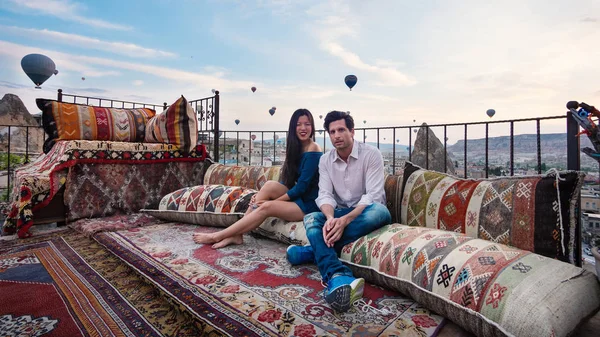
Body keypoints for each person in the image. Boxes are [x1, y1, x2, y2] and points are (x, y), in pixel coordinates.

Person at [286, 110, 391, 313]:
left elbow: (374, 196)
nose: (337, 135)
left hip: (368, 211)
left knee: (377, 211)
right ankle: (337, 275)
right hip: (340, 213)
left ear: (352, 131)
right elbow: (324, 195)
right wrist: (331, 218)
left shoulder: (371, 154)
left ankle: (312, 251)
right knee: (311, 218)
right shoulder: (325, 160)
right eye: (332, 131)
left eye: (341, 129)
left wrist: (345, 221)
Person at [193, 109, 322, 248]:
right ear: (293, 127)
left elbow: (301, 187)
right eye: (298, 124)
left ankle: (218, 235)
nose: (303, 128)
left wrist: (274, 201)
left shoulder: (313, 148)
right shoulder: (295, 147)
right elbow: (287, 180)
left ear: (312, 126)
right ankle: (237, 234)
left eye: (307, 124)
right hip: (298, 197)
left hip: (308, 204)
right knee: (269, 185)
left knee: (265, 207)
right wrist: (261, 196)